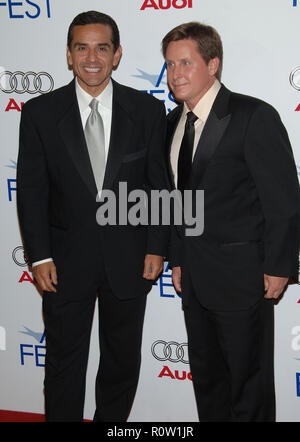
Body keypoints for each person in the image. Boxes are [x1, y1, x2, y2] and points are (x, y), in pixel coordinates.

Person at [17, 10, 169, 422]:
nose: (92, 57)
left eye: (102, 47)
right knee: (64, 364)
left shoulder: (148, 111)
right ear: (68, 55)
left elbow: (160, 187)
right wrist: (39, 256)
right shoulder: (40, 113)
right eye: (81, 47)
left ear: (117, 54)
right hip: (64, 264)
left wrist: (157, 247)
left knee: (121, 364)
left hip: (131, 260)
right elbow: (31, 191)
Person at [162, 22, 300, 422]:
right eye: (170, 65)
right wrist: (178, 257)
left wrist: (279, 267)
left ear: (213, 64)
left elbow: (284, 200)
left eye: (186, 63)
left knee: (248, 385)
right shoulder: (172, 123)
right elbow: (177, 201)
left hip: (244, 278)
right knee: (208, 383)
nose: (176, 74)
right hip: (195, 281)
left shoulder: (252, 116)